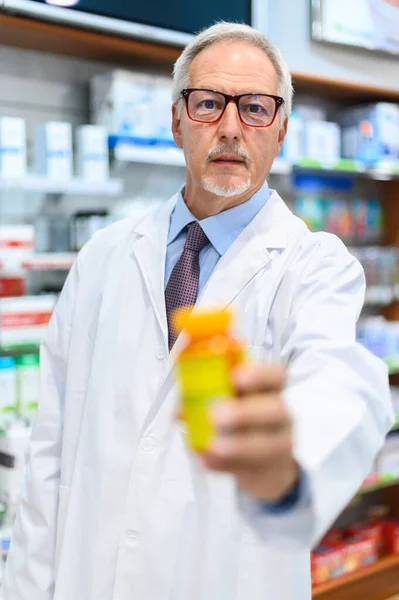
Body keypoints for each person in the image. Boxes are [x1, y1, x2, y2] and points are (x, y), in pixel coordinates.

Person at [4, 21, 393, 600]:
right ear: (176, 119)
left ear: (282, 128)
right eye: (209, 103)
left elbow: (340, 379)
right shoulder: (103, 259)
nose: (231, 128)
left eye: (256, 108)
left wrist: (289, 457)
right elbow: (49, 454)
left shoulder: (314, 267)